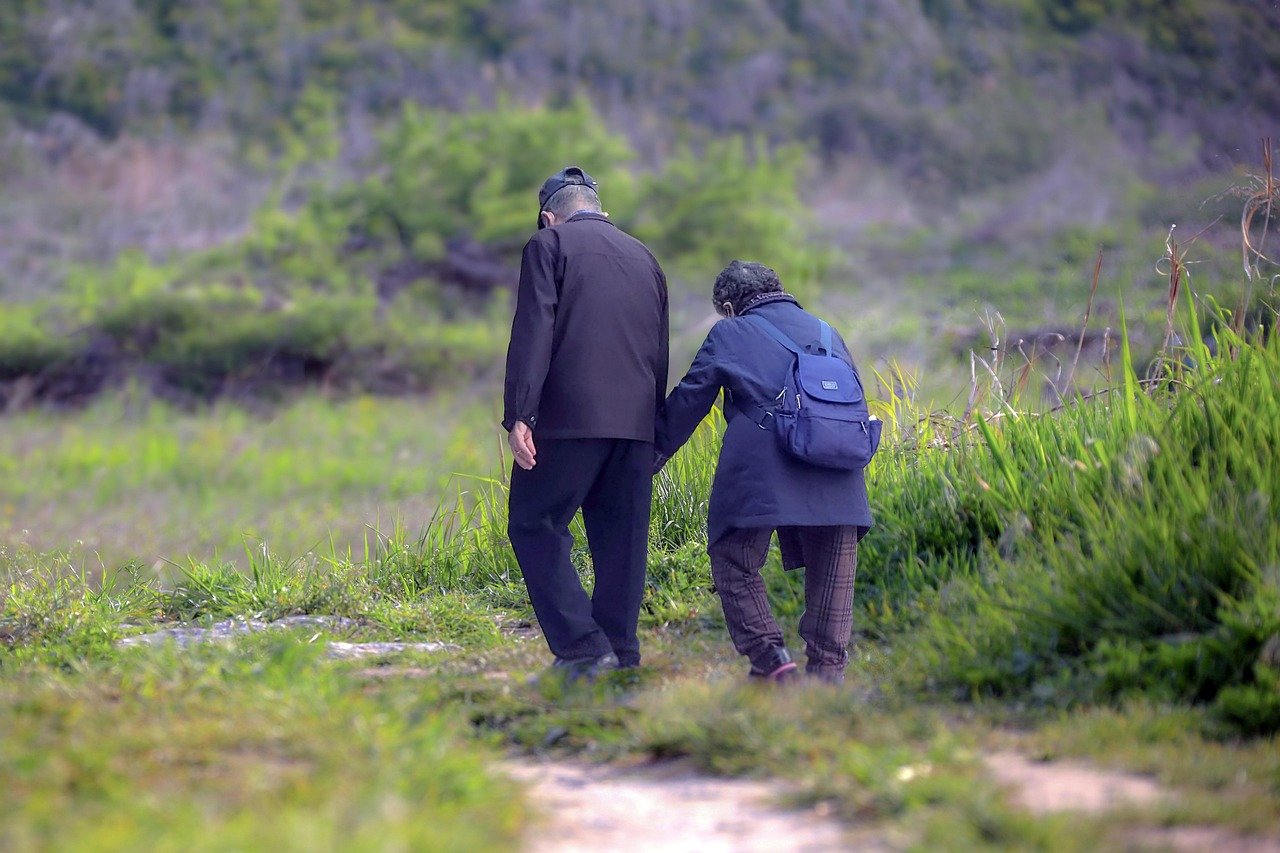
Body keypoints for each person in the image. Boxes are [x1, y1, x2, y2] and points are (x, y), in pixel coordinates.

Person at [655, 260, 872, 683]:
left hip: (763, 463)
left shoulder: (730, 332)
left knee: (733, 556)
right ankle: (828, 673)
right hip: (839, 463)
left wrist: (649, 455)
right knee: (835, 561)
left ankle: (772, 659)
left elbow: (689, 399)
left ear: (731, 306)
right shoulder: (828, 332)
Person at [503, 166, 669, 680]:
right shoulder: (645, 256)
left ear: (550, 216)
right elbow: (658, 348)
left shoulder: (548, 245)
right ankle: (620, 654)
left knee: (534, 523)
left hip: (568, 420)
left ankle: (581, 648)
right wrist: (654, 425)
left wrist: (520, 414)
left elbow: (535, 330)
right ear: (599, 209)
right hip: (636, 423)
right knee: (622, 538)